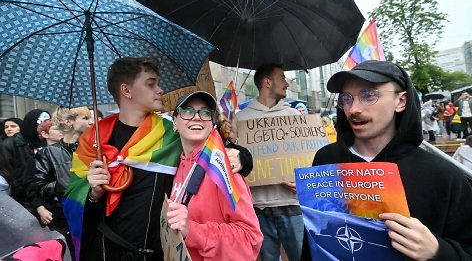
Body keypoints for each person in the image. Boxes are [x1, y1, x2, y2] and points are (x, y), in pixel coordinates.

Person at [63, 57, 249, 261]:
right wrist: (93, 194)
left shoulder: (172, 132)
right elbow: (75, 209)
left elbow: (218, 151)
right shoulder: (92, 141)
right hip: (106, 252)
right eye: (151, 84)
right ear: (126, 91)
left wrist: (244, 158)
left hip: (158, 254)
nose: (160, 90)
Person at [301, 60, 472, 260]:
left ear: (401, 101)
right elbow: (313, 236)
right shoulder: (326, 159)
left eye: (368, 95)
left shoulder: (443, 175)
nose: (353, 108)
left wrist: (438, 250)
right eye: (346, 98)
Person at [166, 91, 263, 260]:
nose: (197, 117)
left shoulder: (224, 169)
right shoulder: (173, 165)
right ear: (175, 122)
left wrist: (192, 230)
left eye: (205, 113)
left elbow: (250, 239)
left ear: (212, 124)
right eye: (188, 111)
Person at [236, 63, 303, 261]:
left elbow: (307, 160)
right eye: (282, 78)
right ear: (267, 82)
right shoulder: (240, 119)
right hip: (257, 209)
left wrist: (303, 182)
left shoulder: (294, 116)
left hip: (292, 205)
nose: (287, 83)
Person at [34, 107, 92, 257]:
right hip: (64, 216)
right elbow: (40, 187)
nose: (91, 122)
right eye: (85, 118)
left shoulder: (94, 149)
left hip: (92, 213)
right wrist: (68, 183)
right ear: (69, 122)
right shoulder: (48, 152)